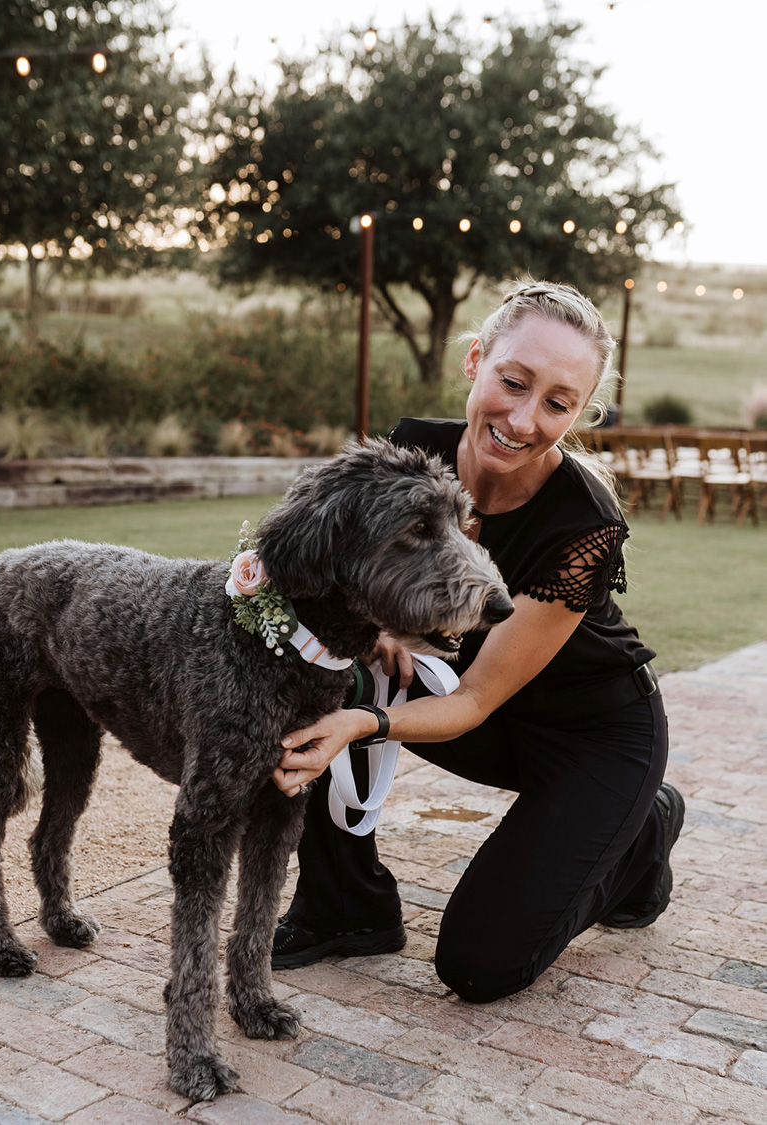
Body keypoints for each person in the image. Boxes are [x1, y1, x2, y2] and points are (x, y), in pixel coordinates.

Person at [270, 280, 684, 1004]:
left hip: (591, 736)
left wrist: (365, 720)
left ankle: (643, 833)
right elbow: (336, 585)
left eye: (557, 403)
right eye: (513, 381)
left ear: (580, 413)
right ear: (475, 360)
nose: (524, 419)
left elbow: (474, 697)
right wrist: (375, 636)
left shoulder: (583, 525)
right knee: (317, 668)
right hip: (483, 719)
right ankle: (347, 905)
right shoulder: (406, 454)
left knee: (480, 964)